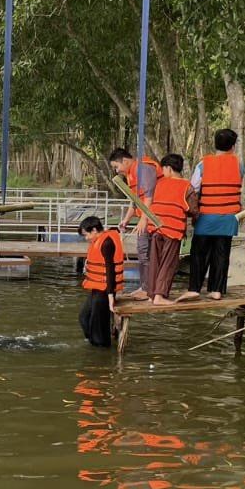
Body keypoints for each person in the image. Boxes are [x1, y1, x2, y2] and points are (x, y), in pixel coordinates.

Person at [179, 128, 243, 301]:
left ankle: (194, 288)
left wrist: (192, 214)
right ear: (233, 146)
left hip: (206, 217)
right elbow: (239, 182)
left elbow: (193, 189)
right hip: (228, 218)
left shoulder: (203, 164)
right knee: (221, 255)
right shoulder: (238, 164)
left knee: (199, 254)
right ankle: (216, 290)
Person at [140, 153, 197, 306]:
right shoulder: (187, 186)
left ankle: (152, 294)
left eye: (163, 168)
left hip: (156, 228)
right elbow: (193, 209)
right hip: (173, 230)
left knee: (155, 262)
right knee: (168, 263)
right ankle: (160, 296)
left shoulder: (158, 183)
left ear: (169, 168)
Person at [108, 147, 161, 298]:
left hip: (154, 219)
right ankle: (145, 287)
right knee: (142, 253)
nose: (117, 171)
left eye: (116, 167)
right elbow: (135, 201)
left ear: (125, 161)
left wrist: (144, 219)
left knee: (146, 253)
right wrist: (125, 220)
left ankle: (149, 289)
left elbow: (149, 196)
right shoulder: (131, 174)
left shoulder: (143, 169)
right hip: (146, 218)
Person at [78, 215, 125, 347]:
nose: (86, 238)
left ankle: (101, 352)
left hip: (105, 291)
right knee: (84, 317)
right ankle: (92, 342)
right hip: (97, 288)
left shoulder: (107, 243)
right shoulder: (97, 241)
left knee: (99, 328)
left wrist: (111, 298)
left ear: (94, 230)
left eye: (86, 235)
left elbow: (110, 271)